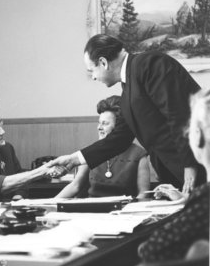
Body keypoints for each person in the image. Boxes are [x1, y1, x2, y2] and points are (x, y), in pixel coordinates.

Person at [49, 34, 204, 196]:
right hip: (178, 174)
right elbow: (119, 139)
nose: (93, 77)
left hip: (198, 166)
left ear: (103, 62)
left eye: (92, 71)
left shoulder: (151, 64)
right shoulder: (127, 92)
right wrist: (74, 159)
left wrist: (190, 166)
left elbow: (180, 116)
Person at [137, 88, 210, 262]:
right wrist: (186, 199)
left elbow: (150, 250)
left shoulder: (205, 199)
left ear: (198, 136)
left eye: (189, 129)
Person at [54, 95, 150, 200]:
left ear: (119, 127)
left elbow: (143, 194)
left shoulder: (139, 155)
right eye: (99, 123)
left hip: (124, 211)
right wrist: (49, 204)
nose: (99, 127)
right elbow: (75, 186)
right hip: (91, 210)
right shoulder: (90, 152)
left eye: (105, 124)